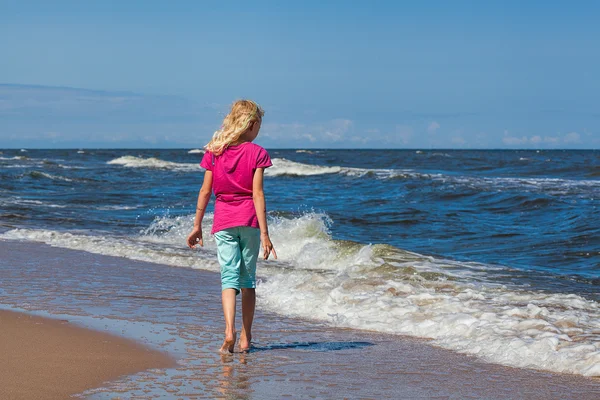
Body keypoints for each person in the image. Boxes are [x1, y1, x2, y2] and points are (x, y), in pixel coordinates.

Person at [186, 99, 277, 354]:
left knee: (228, 278)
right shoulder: (258, 152)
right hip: (249, 222)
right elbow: (257, 194)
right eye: (258, 124)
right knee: (248, 280)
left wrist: (196, 225)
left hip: (223, 222)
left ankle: (229, 331)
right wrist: (266, 234)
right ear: (252, 124)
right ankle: (246, 338)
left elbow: (205, 191)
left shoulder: (214, 151)